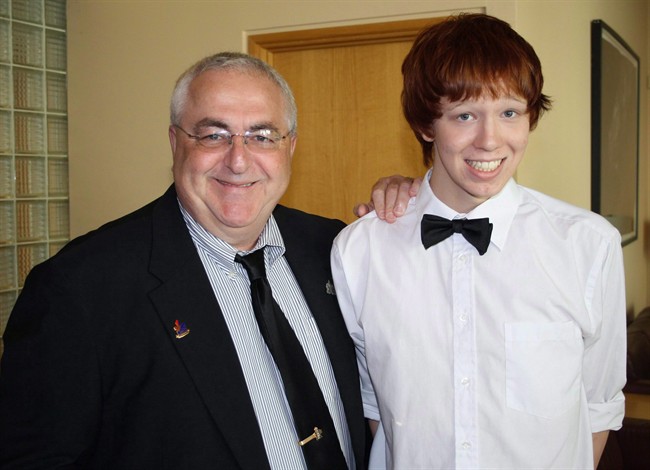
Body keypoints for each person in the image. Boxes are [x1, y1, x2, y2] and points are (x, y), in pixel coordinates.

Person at [0, 52, 413, 469]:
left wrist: (414, 208)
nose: (238, 160)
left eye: (262, 135)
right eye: (214, 135)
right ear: (175, 141)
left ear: (291, 147)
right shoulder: (81, 288)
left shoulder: (332, 249)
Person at [331, 13, 627, 470]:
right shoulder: (359, 250)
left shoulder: (589, 246)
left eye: (510, 112)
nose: (490, 140)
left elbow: (599, 406)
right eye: (464, 115)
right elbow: (375, 409)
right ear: (426, 125)